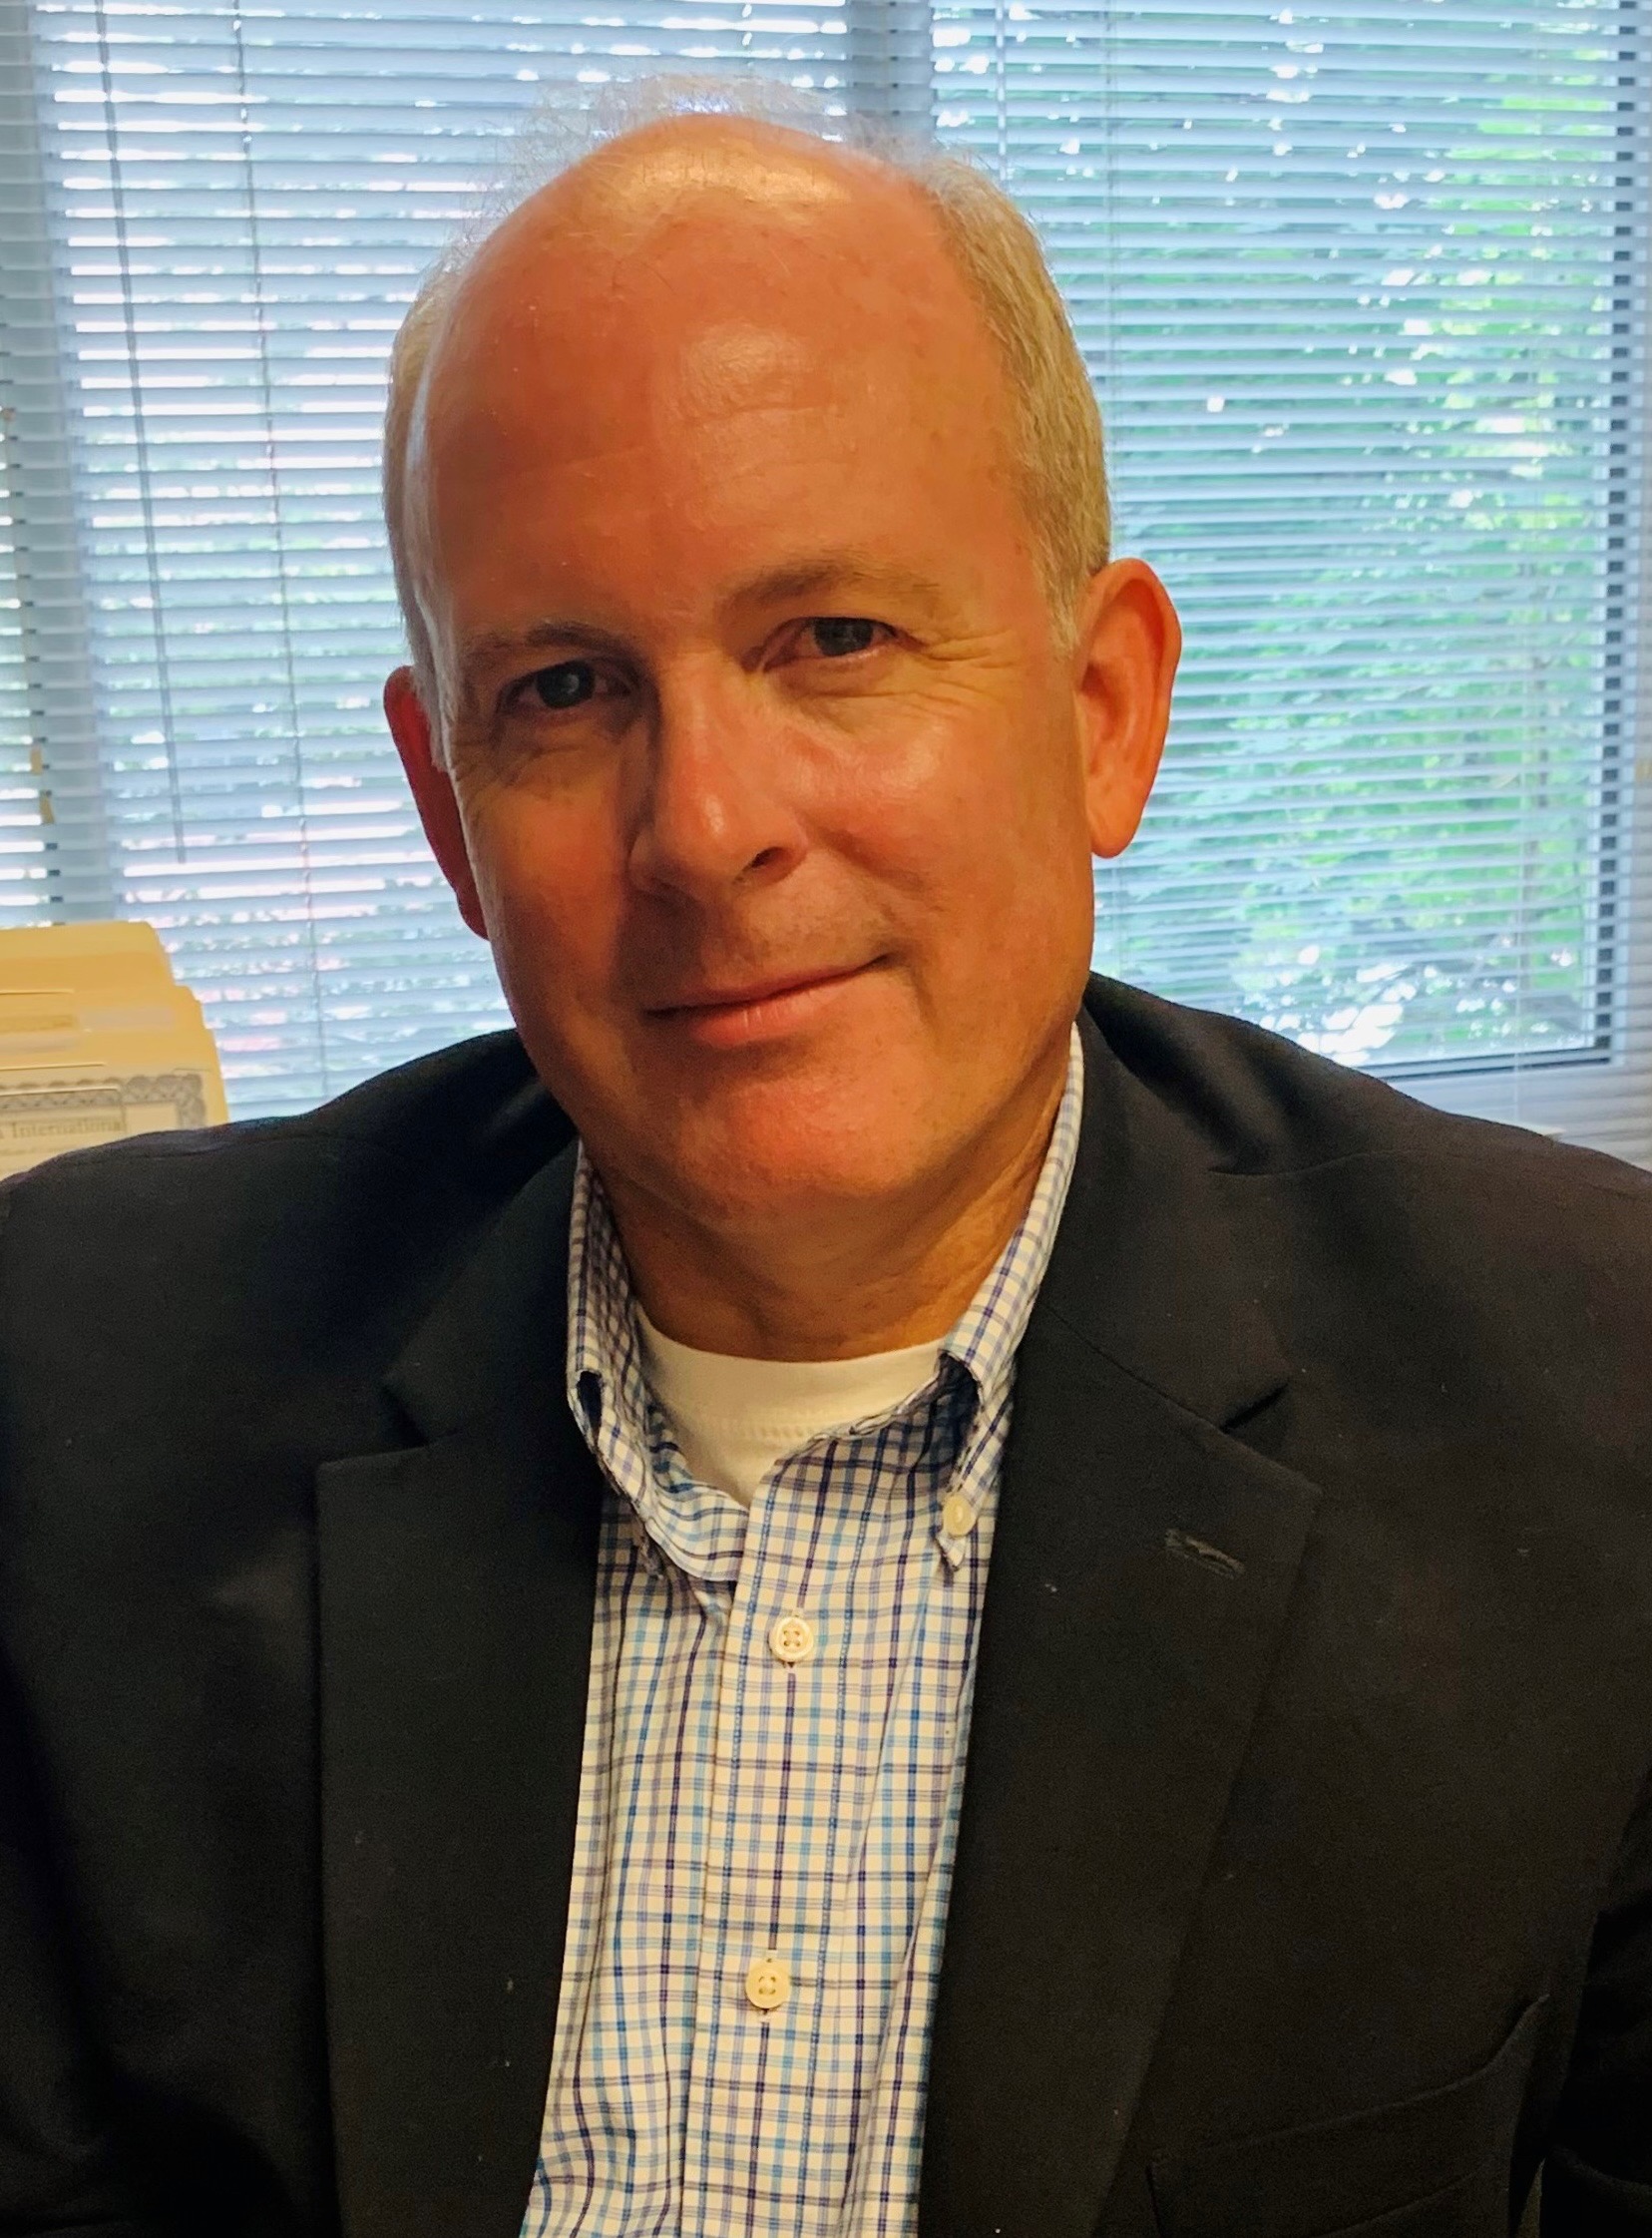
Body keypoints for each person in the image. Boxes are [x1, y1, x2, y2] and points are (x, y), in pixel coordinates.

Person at [1, 74, 1649, 2238]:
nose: (705, 830)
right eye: (565, 689)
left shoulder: (1600, 1417)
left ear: (1101, 709)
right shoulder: (83, 1389)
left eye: (837, 641)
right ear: (445, 816)